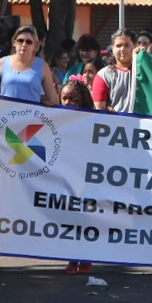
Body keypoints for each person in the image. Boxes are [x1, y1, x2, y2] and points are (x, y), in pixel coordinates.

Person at [58, 76, 96, 275]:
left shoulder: (92, 120)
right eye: (64, 99)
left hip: (87, 177)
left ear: (82, 99)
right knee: (70, 218)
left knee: (85, 218)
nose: (68, 103)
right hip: (66, 177)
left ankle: (86, 257)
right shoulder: (55, 119)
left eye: (73, 99)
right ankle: (72, 260)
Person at [0, 26, 57, 106]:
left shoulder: (43, 66)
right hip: (5, 116)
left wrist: (47, 104)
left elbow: (53, 99)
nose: (24, 44)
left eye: (29, 42)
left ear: (35, 46)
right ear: (14, 42)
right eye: (20, 40)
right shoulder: (1, 62)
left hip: (31, 117)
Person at [92, 30, 138, 113]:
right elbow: (99, 110)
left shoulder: (143, 73)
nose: (122, 49)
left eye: (127, 45)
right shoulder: (103, 75)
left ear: (135, 46)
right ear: (112, 48)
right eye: (118, 46)